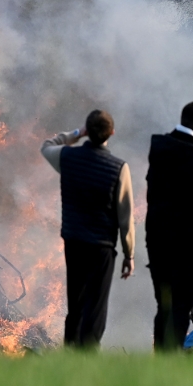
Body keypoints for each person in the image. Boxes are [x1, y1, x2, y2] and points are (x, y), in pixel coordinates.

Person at [40, 110, 135, 348]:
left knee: (76, 303)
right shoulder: (119, 168)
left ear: (86, 131)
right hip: (102, 247)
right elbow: (126, 218)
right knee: (96, 305)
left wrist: (74, 134)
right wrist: (129, 254)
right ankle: (88, 353)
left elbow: (47, 146)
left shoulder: (67, 157)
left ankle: (71, 349)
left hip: (73, 242)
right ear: (111, 133)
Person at [145, 101, 193, 350]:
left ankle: (161, 358)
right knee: (181, 307)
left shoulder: (159, 151)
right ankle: (171, 359)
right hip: (187, 244)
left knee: (164, 305)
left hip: (157, 239)